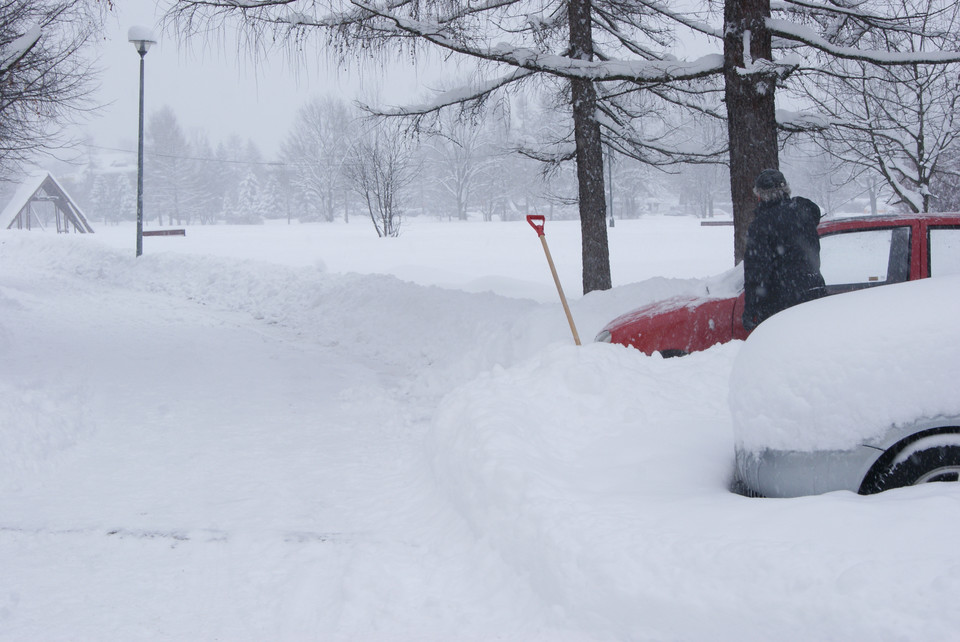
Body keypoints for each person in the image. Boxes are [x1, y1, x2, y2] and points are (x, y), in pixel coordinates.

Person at [742, 169, 827, 330]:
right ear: (786, 189)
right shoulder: (804, 210)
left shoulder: (762, 225)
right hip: (815, 291)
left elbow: (756, 272)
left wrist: (750, 309)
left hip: (781, 300)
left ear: (760, 195)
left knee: (782, 349)